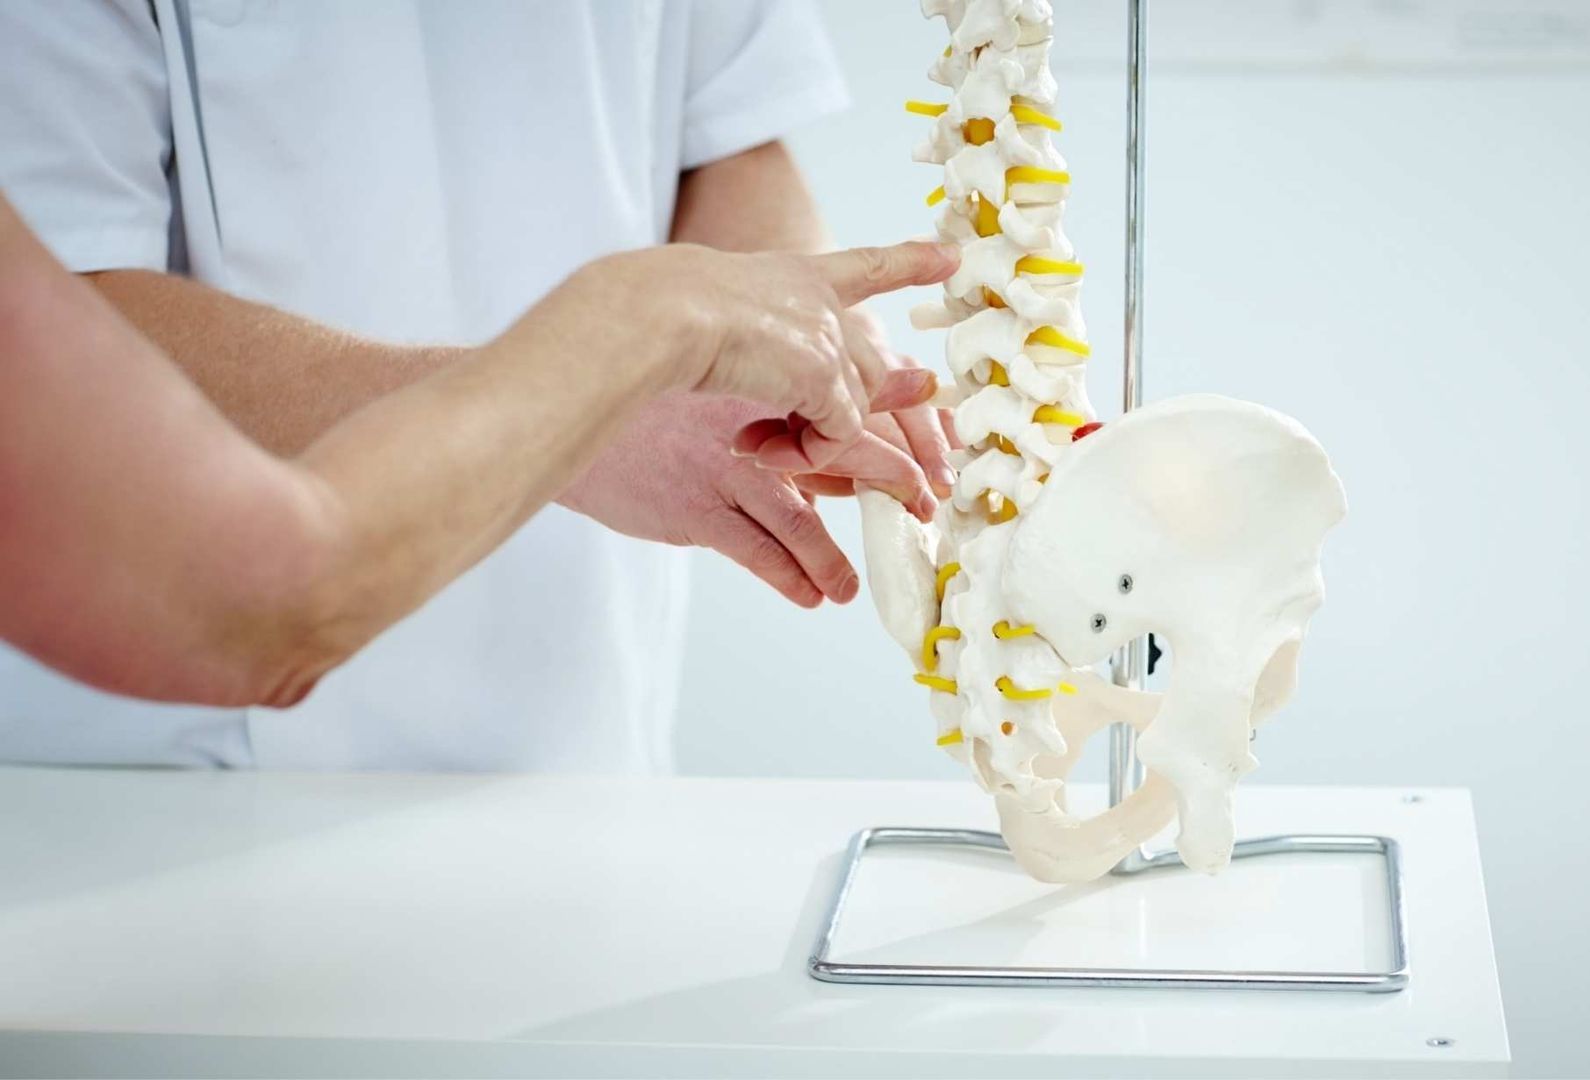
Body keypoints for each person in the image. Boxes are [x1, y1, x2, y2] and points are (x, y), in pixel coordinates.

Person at [0, 2, 939, 769]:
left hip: (575, 709)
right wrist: (596, 392)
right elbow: (65, 305)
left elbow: (731, 126)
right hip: (176, 770)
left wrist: (790, 331)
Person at [0, 193, 956, 708]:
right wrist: (629, 348)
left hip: (583, 741)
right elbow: (265, 609)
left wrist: (781, 325)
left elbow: (729, 130)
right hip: (154, 810)